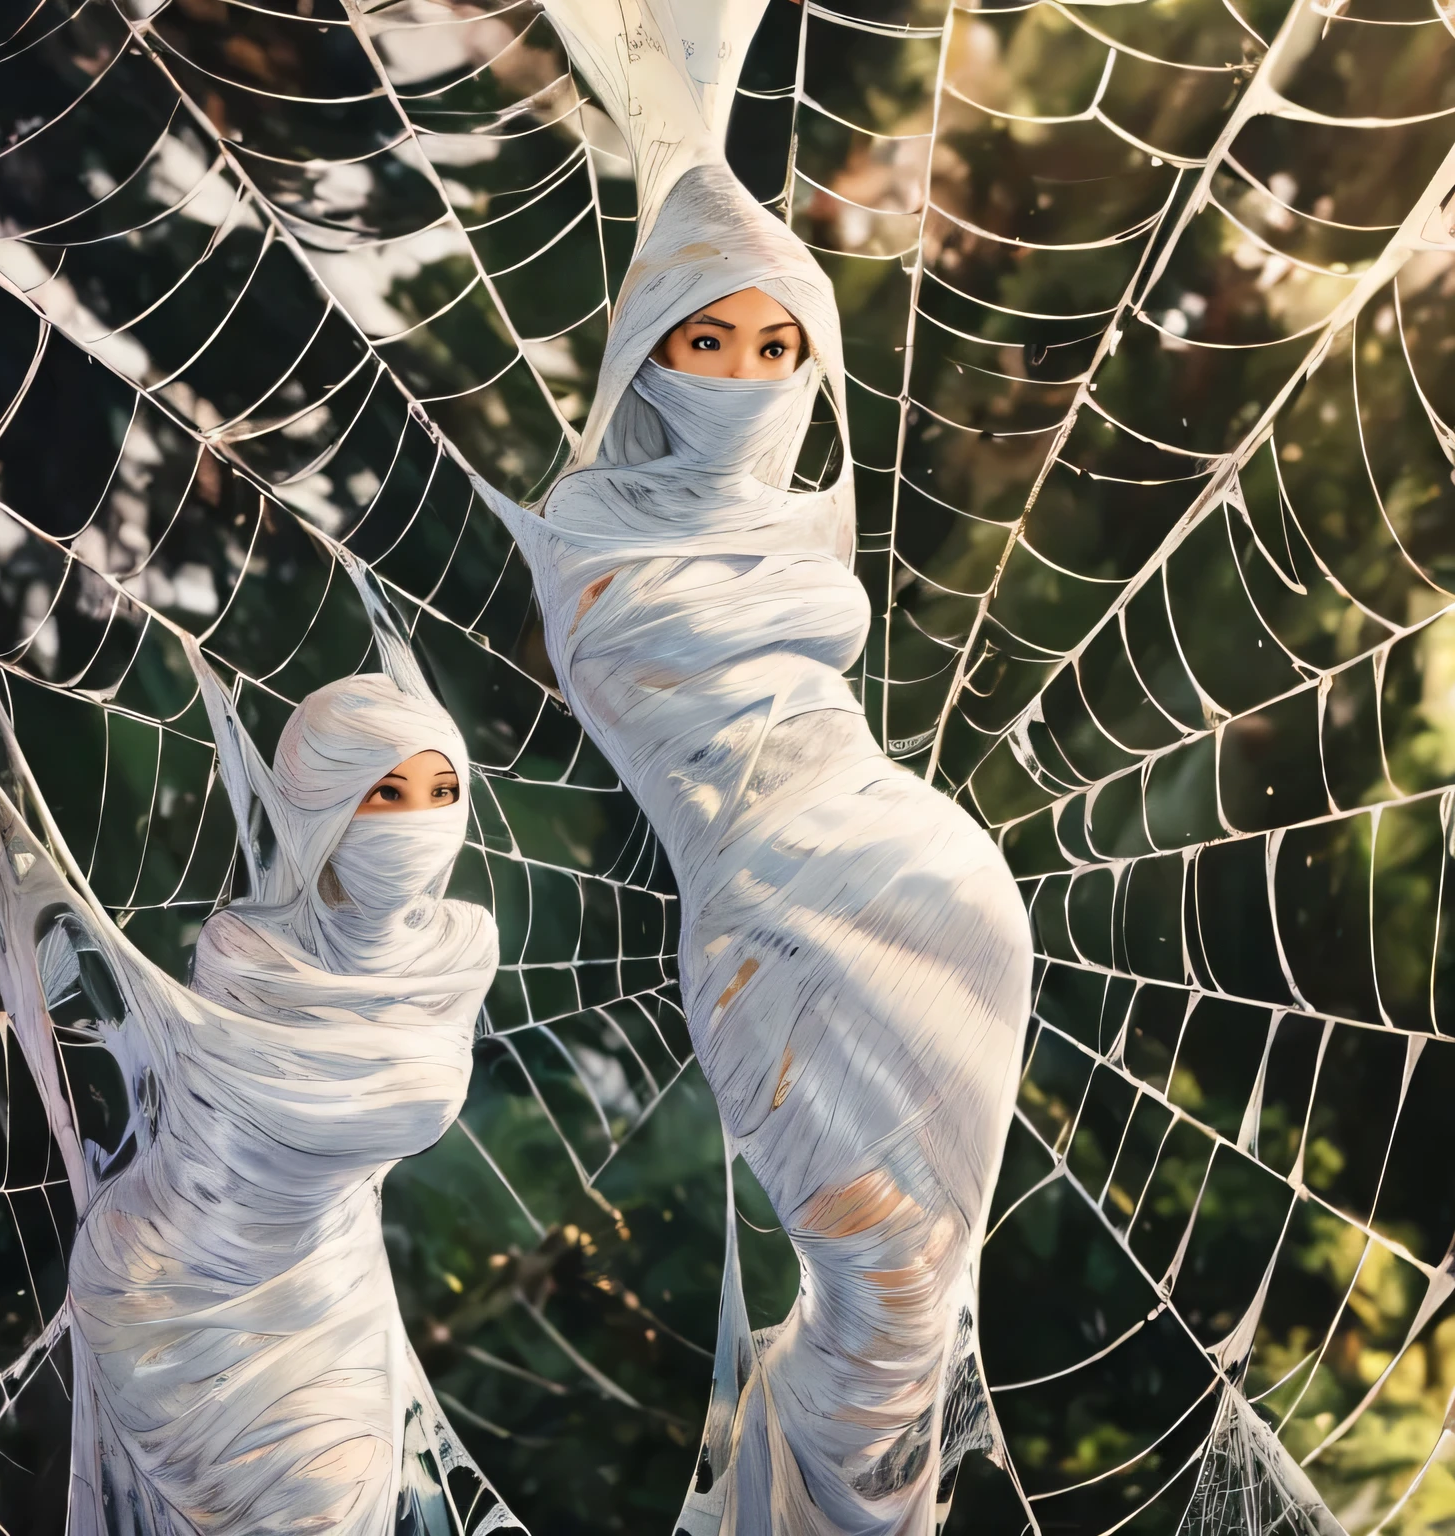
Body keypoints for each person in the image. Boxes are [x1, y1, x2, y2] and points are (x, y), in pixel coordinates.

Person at [475, 126, 1032, 1536]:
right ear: (645, 354)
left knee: (918, 1311)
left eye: (776, 348)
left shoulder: (799, 526)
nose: (740, 377)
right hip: (763, 928)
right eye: (704, 341)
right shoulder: (590, 537)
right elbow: (645, 683)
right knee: (873, 1295)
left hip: (944, 895)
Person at [0, 481, 520, 1536]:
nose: (420, 822)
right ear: (321, 799)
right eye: (386, 791)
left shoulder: (461, 953)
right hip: (183, 1296)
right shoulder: (247, 960)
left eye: (442, 791)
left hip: (334, 1306)